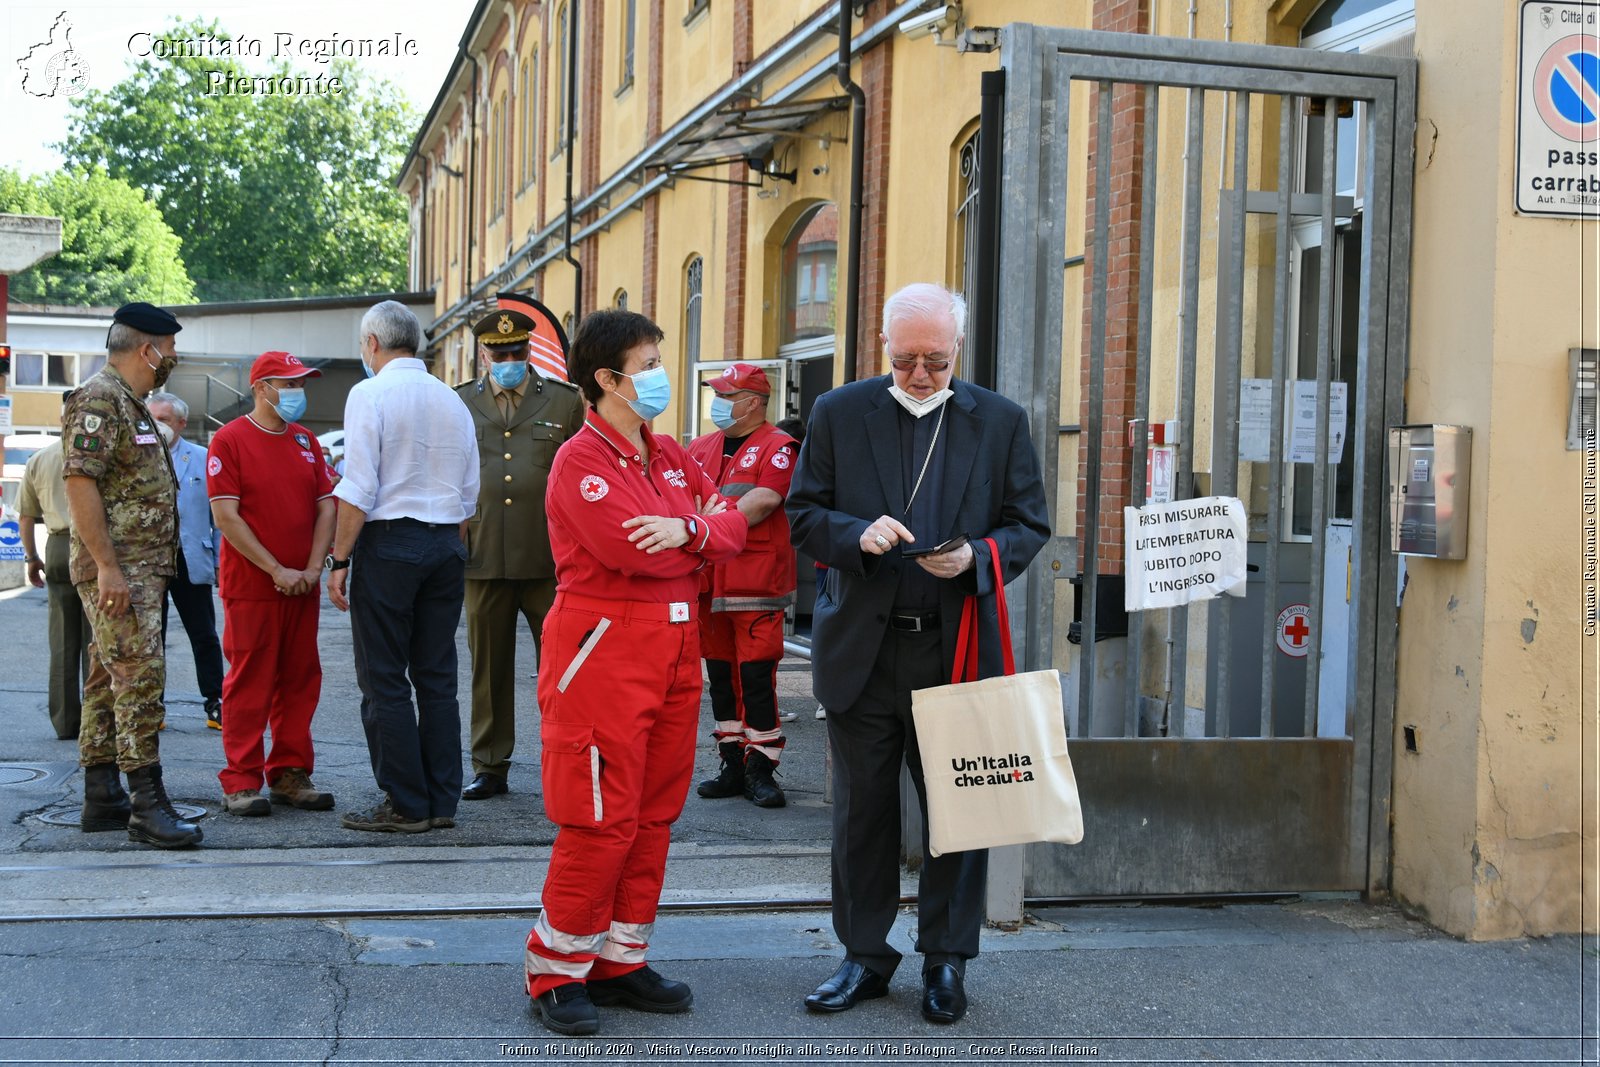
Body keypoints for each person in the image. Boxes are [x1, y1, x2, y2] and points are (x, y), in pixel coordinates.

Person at [786, 283, 1049, 1024]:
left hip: (953, 648)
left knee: (957, 813)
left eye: (936, 360)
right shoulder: (840, 412)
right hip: (863, 651)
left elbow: (1028, 524)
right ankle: (864, 956)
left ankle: (945, 959)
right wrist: (854, 536)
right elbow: (804, 514)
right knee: (862, 817)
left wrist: (977, 556)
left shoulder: (998, 421)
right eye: (905, 361)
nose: (921, 375)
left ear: (957, 350)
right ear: (885, 351)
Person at [523, 309, 746, 1036]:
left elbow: (733, 527)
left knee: (654, 814)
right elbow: (633, 554)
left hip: (675, 655)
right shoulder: (579, 462)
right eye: (646, 365)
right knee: (598, 816)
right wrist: (698, 538)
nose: (659, 376)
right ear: (607, 381)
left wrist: (689, 529)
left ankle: (620, 956)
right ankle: (557, 966)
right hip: (603, 656)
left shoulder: (672, 456)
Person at [326, 301, 478, 833]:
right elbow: (469, 494)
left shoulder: (369, 393)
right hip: (444, 542)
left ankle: (406, 801)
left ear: (372, 344)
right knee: (437, 676)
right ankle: (441, 799)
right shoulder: (452, 400)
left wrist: (339, 558)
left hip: (390, 542)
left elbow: (358, 487)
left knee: (385, 679)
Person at [62, 301, 202, 849]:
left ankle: (102, 794)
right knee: (141, 680)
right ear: (147, 348)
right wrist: (108, 569)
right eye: (168, 348)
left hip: (138, 570)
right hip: (123, 574)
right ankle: (148, 804)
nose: (172, 357)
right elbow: (80, 482)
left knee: (106, 678)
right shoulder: (100, 398)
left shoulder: (130, 401)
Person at [455, 308, 584, 801]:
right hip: (483, 555)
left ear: (529, 352)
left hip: (549, 557)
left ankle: (571, 755)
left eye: (517, 352)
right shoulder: (461, 402)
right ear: (484, 354)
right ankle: (490, 765)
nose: (508, 360)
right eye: (499, 354)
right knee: (487, 668)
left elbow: (579, 470)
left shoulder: (563, 401)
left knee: (563, 666)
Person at [206, 352, 338, 817]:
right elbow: (227, 516)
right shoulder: (230, 439)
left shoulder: (306, 440)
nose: (298, 393)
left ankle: (288, 772)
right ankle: (241, 780)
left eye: (301, 384)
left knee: (300, 679)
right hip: (254, 586)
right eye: (289, 384)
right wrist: (275, 569)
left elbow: (326, 506)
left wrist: (311, 567)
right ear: (262, 388)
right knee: (250, 682)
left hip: (301, 584)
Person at [687, 363, 798, 808]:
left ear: (752, 401)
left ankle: (761, 767)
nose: (717, 403)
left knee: (755, 677)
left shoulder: (779, 448)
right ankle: (732, 762)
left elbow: (764, 500)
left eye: (725, 395)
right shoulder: (698, 446)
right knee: (719, 678)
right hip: (708, 581)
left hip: (754, 583)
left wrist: (704, 521)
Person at [146, 391, 225, 731]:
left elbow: (219, 516)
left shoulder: (202, 458)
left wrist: (222, 560)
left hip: (190, 556)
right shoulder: (138, 456)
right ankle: (152, 704)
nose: (156, 425)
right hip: (149, 559)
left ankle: (216, 702)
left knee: (204, 634)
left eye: (163, 419)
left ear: (181, 423)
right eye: (151, 418)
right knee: (152, 635)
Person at [17, 392, 88, 740]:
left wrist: (32, 558)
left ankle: (64, 722)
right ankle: (96, 721)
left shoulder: (40, 458)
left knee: (62, 642)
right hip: (92, 545)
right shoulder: (96, 455)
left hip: (57, 546)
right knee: (96, 641)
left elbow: (27, 517)